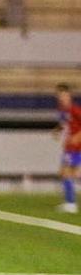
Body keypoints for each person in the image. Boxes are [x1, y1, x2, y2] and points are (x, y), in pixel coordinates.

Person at [55, 83, 80, 213]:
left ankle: (71, 203)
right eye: (59, 95)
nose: (62, 97)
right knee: (67, 173)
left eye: (64, 95)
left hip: (75, 147)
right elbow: (63, 124)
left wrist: (77, 137)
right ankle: (70, 202)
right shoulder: (62, 110)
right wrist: (57, 131)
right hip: (68, 147)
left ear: (69, 95)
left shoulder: (75, 110)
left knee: (66, 172)